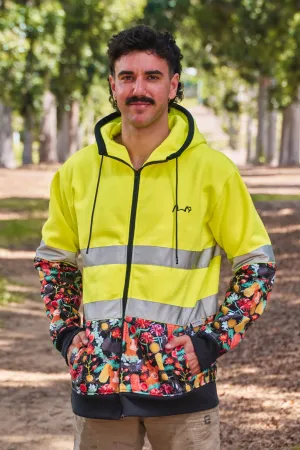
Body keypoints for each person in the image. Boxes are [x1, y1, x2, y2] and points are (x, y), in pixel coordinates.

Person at [34, 25, 276, 450]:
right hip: (99, 389)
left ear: (174, 85)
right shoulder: (76, 172)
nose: (138, 89)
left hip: (182, 388)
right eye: (127, 77)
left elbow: (257, 263)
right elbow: (55, 263)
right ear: (113, 85)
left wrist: (213, 341)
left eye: (152, 76)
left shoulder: (212, 171)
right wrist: (68, 337)